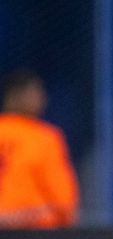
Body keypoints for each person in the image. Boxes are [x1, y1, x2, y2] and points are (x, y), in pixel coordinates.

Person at [0, 68, 79, 228]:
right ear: (14, 96)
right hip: (32, 231)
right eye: (35, 92)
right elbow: (64, 203)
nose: (42, 98)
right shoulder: (44, 138)